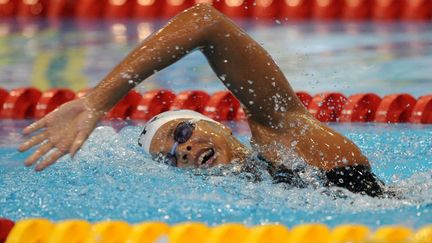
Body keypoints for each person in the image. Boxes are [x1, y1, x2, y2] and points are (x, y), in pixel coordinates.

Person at [18, 3, 385, 197]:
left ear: (218, 125)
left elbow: (206, 21)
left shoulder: (283, 134)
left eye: (182, 133)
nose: (185, 150)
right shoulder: (237, 201)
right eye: (171, 158)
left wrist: (97, 102)